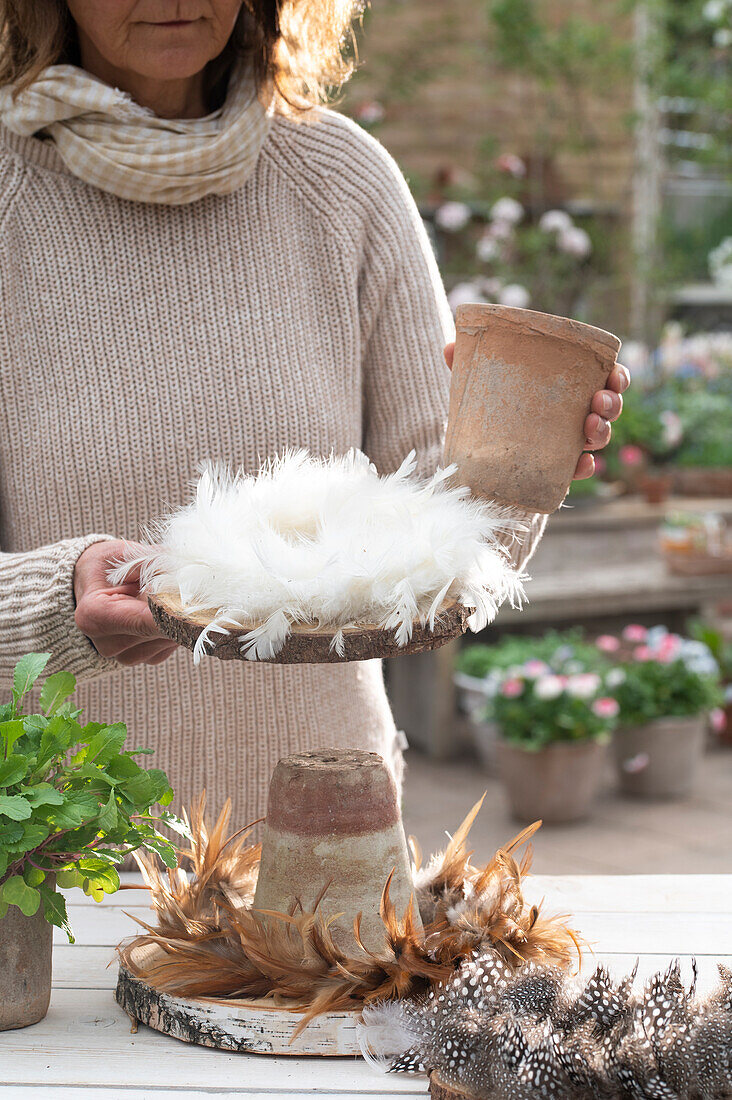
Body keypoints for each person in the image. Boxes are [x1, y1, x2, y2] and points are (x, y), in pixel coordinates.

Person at [0, 1, 628, 828]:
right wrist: (55, 601)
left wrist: (522, 451)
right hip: (67, 867)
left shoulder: (343, 181)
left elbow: (453, 558)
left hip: (331, 859)